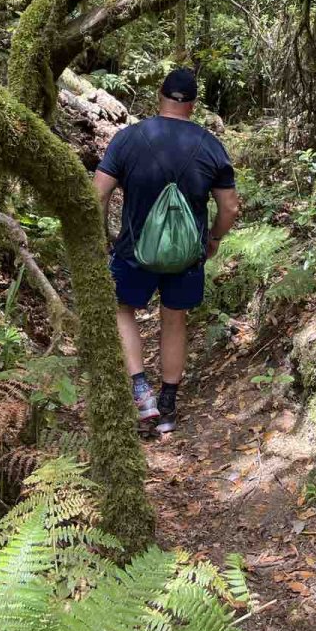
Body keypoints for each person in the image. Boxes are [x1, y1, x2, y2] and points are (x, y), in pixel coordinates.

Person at [93, 67, 240, 433]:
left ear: (159, 96)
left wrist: (103, 237)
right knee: (175, 318)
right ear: (193, 104)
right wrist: (214, 239)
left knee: (122, 309)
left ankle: (141, 392)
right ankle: (169, 405)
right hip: (187, 256)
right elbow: (229, 207)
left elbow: (98, 194)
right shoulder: (210, 145)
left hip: (133, 252)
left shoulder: (128, 139)